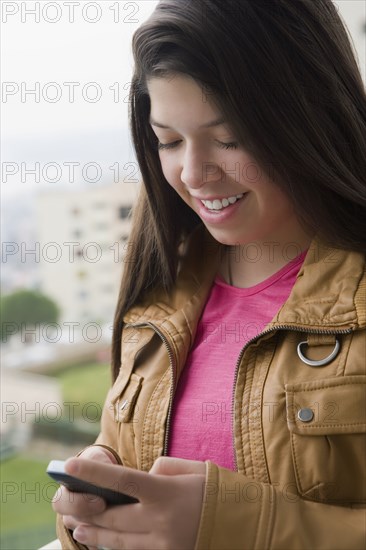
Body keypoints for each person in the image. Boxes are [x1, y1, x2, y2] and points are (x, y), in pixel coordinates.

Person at [52, 0, 366, 548]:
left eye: (228, 138)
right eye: (169, 141)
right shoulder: (162, 285)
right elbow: (120, 457)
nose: (194, 174)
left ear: (309, 115)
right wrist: (93, 493)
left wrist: (238, 525)